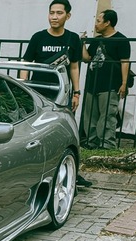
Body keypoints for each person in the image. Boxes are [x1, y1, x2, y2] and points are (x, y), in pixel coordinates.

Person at [20, 0, 91, 187]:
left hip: (61, 93)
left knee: (63, 133)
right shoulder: (38, 37)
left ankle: (69, 172)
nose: (54, 17)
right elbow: (26, 64)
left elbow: (74, 67)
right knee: (34, 132)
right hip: (37, 93)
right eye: (51, 12)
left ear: (68, 16)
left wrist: (77, 92)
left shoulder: (72, 39)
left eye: (59, 13)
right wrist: (23, 89)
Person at [81, 9, 131, 150]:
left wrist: (124, 83)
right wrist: (83, 44)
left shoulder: (121, 40)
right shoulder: (97, 40)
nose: (96, 24)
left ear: (108, 22)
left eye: (98, 21)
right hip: (93, 83)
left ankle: (107, 144)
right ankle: (92, 142)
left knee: (108, 115)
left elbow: (125, 62)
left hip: (110, 84)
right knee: (90, 115)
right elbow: (87, 58)